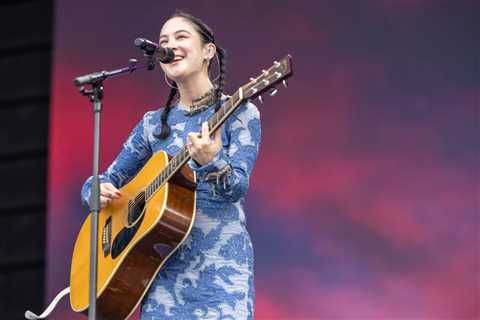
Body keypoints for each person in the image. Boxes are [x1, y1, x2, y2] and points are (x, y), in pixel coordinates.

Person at [80, 11, 261, 320]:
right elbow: (105, 178)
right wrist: (95, 190)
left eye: (181, 37)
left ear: (208, 51)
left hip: (221, 277)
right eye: (164, 41)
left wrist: (211, 161)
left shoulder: (240, 111)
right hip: (161, 274)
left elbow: (236, 189)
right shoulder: (153, 125)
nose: (170, 45)